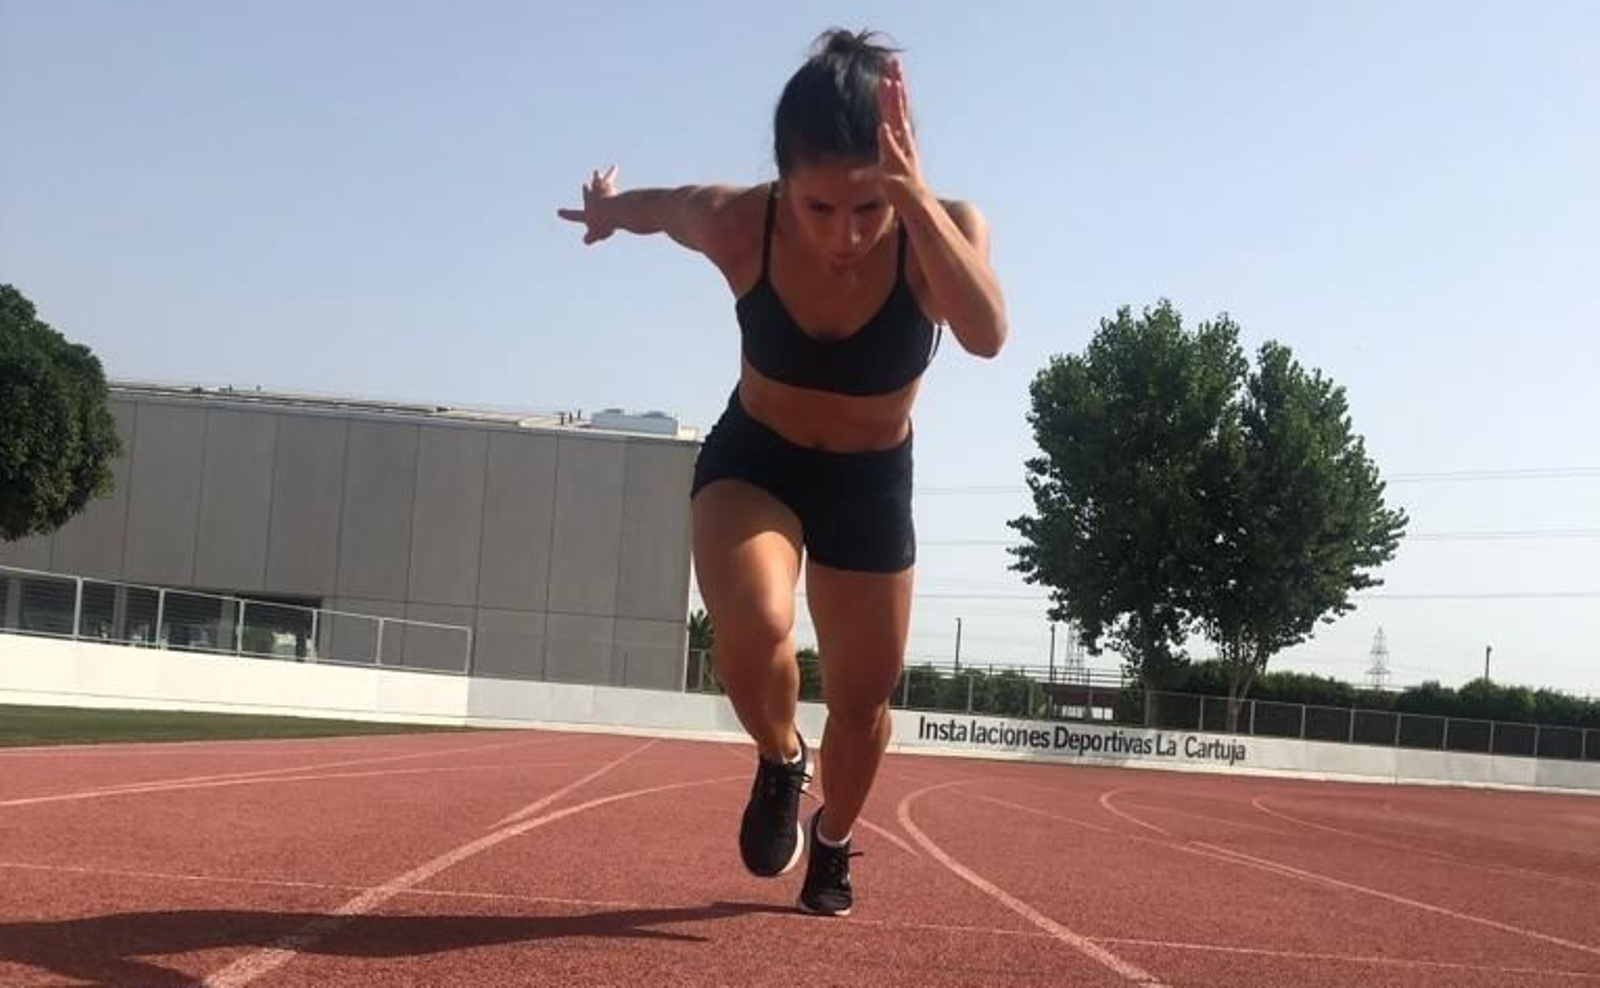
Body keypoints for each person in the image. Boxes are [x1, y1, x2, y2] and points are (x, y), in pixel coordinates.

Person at [558, 28, 1006, 917]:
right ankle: (779, 755)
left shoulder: (942, 231)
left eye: (869, 207)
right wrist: (608, 210)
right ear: (782, 184)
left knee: (862, 702)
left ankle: (832, 837)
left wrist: (914, 203)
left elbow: (987, 333)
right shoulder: (743, 224)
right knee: (755, 622)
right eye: (818, 208)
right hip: (757, 459)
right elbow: (666, 207)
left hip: (869, 485)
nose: (845, 235)